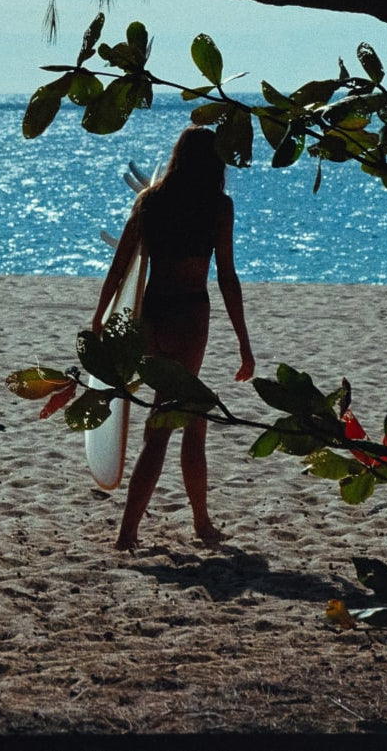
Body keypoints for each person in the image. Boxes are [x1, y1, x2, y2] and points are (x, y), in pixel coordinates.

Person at [90, 125, 254, 551]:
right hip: (189, 318)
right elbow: (228, 278)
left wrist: (100, 316)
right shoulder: (218, 207)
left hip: (153, 315)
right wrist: (243, 342)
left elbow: (119, 267)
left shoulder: (150, 202)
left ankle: (201, 522)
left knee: (192, 417)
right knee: (165, 427)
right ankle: (127, 534)